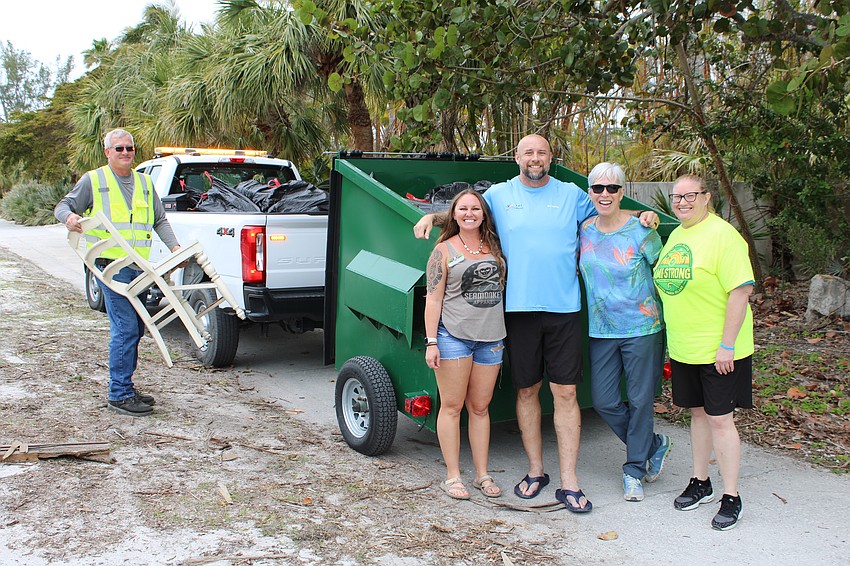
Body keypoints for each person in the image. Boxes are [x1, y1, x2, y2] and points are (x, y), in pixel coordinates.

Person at [414, 135, 659, 512]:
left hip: (563, 311)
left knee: (565, 395)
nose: (535, 158)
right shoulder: (498, 194)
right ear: (516, 157)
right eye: (528, 152)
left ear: (550, 158)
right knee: (527, 392)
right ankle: (534, 472)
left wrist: (643, 216)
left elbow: (607, 209)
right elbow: (468, 214)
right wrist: (433, 217)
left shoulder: (572, 195)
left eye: (541, 152)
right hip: (517, 311)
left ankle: (570, 482)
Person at [55, 128, 181, 417]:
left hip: (139, 267)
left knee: (135, 329)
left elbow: (159, 220)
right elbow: (63, 206)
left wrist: (174, 248)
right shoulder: (94, 180)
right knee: (125, 329)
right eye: (119, 148)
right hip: (111, 267)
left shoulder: (146, 183)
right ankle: (119, 394)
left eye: (130, 148)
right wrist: (71, 217)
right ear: (107, 152)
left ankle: (124, 385)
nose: (126, 153)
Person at [653, 174, 754, 531]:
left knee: (720, 419)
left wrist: (727, 345)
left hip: (719, 349)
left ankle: (732, 496)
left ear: (706, 197)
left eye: (689, 195)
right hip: (685, 347)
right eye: (676, 197)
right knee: (697, 415)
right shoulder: (678, 235)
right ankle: (701, 482)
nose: (681, 202)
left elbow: (740, 292)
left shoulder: (724, 236)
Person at [578, 162, 671, 503]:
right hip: (601, 329)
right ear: (590, 192)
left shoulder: (641, 231)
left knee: (640, 399)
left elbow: (663, 275)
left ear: (622, 192)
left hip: (642, 327)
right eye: (598, 188)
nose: (605, 194)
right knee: (603, 401)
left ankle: (634, 470)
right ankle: (653, 444)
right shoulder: (584, 230)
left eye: (612, 188)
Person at [424, 189, 507, 500]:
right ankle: (453, 475)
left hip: (491, 339)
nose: (469, 213)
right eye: (462, 208)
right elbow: (433, 299)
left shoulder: (495, 246)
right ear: (453, 214)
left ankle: (482, 475)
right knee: (453, 406)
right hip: (453, 337)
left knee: (481, 408)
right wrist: (432, 341)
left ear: (483, 214)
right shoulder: (443, 251)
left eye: (475, 208)